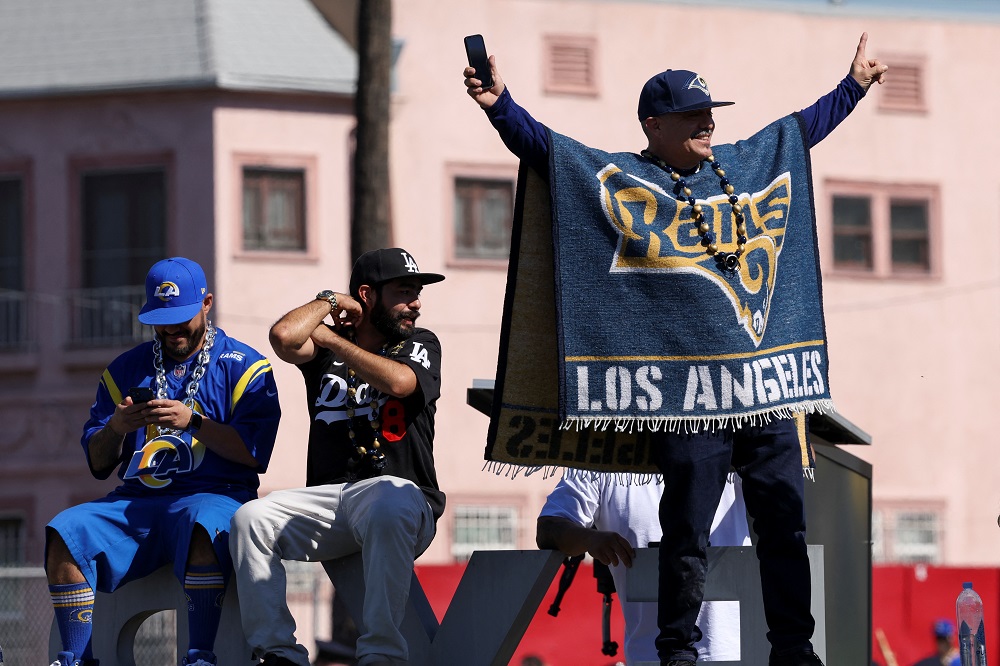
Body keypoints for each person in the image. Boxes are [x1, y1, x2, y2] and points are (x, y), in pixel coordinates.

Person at [464, 34, 887, 666]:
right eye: (693, 115)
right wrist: (499, 103)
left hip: (761, 395)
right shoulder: (623, 177)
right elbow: (546, 150)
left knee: (784, 526)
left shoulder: (743, 164)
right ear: (654, 125)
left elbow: (801, 132)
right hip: (684, 398)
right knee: (683, 531)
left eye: (710, 111)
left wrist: (852, 86)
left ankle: (795, 651)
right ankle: (676, 652)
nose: (708, 122)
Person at [45, 257, 282, 666]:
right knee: (65, 532)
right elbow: (98, 464)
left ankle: (200, 657)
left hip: (215, 496)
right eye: (161, 320)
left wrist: (194, 422)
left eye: (181, 318)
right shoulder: (125, 369)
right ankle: (75, 660)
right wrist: (117, 427)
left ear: (207, 303)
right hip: (137, 501)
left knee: (203, 523)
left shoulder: (246, 365)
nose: (171, 330)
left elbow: (255, 454)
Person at [230, 247, 446, 666]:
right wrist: (329, 301)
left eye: (417, 292)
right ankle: (279, 652)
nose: (415, 303)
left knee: (388, 498)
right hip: (333, 502)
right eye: (404, 291)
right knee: (250, 520)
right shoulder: (328, 351)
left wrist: (329, 336)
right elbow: (283, 337)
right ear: (367, 295)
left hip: (404, 500)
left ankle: (381, 654)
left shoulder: (420, 343)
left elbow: (402, 383)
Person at [537, 473, 751, 664]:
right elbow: (548, 528)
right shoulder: (602, 462)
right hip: (650, 655)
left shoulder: (733, 444)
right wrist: (588, 538)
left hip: (743, 652)